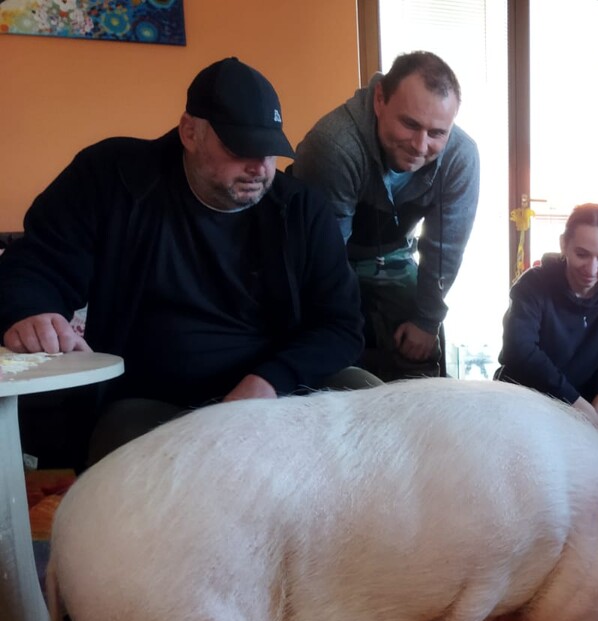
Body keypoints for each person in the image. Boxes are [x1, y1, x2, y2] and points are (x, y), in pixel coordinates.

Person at [0, 57, 374, 467]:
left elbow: (340, 325)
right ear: (190, 132)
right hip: (150, 398)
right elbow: (37, 261)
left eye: (270, 151)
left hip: (277, 387)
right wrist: (30, 310)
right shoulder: (113, 177)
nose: (259, 168)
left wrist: (268, 382)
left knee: (372, 405)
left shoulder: (301, 210)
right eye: (239, 148)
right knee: (127, 451)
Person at [292, 51, 480, 381]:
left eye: (437, 133)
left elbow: (444, 249)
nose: (421, 146)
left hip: (391, 251)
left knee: (423, 348)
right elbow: (327, 260)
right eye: (409, 124)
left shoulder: (461, 156)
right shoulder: (334, 145)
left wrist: (426, 321)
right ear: (380, 99)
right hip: (317, 255)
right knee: (334, 348)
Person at [496, 204, 598, 455]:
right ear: (564, 245)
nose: (592, 270)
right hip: (533, 392)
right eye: (582, 254)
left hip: (585, 393)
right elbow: (519, 351)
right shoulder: (533, 284)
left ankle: (580, 458)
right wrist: (577, 405)